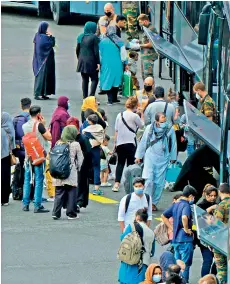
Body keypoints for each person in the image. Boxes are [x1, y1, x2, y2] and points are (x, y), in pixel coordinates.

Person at [135, 112, 177, 211]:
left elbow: (173, 143)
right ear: (157, 119)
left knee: (159, 183)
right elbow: (144, 142)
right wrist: (139, 156)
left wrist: (173, 157)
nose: (164, 119)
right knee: (148, 180)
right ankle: (145, 202)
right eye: (162, 117)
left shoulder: (170, 129)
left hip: (163, 158)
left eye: (165, 117)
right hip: (150, 156)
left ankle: (153, 202)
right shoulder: (150, 128)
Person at [161, 185, 197, 283]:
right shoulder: (186, 205)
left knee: (176, 265)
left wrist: (172, 227)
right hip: (185, 240)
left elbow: (163, 216)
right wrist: (186, 229)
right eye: (193, 197)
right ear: (190, 196)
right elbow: (184, 217)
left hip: (176, 239)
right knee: (185, 265)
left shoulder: (176, 204)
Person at [22, 106, 52, 213]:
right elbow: (49, 137)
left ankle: (25, 204)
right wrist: (43, 124)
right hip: (38, 156)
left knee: (27, 180)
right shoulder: (39, 125)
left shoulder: (24, 126)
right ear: (39, 114)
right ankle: (37, 205)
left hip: (28, 156)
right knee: (39, 180)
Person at [52, 126, 84, 220]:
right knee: (71, 192)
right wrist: (77, 167)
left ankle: (56, 213)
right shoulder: (76, 144)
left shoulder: (58, 142)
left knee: (59, 192)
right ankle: (71, 213)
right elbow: (81, 158)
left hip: (58, 171)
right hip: (70, 171)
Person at [113, 96, 144, 192]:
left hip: (120, 142)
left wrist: (115, 143)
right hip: (131, 142)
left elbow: (116, 130)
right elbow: (142, 125)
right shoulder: (135, 116)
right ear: (135, 105)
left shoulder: (120, 115)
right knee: (131, 165)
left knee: (120, 163)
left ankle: (116, 184)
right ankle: (131, 184)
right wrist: (141, 113)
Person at [118, 208, 155, 284]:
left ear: (137, 217)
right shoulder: (151, 233)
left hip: (129, 260)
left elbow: (123, 239)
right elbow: (152, 251)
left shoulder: (132, 227)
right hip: (142, 264)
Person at [66, 117, 92, 211]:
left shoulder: (66, 138)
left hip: (70, 166)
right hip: (82, 166)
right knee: (81, 185)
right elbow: (89, 153)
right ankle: (78, 202)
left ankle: (71, 203)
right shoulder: (83, 138)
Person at [99, 26, 128, 105]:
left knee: (108, 80)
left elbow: (100, 54)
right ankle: (115, 98)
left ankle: (110, 100)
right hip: (117, 64)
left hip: (106, 64)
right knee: (116, 80)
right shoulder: (120, 41)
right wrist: (125, 63)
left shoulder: (102, 41)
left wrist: (99, 63)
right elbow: (123, 55)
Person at [196, 184, 218, 277]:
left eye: (214, 196)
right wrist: (210, 209)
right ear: (206, 195)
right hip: (204, 238)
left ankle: (211, 277)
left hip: (215, 236)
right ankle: (204, 279)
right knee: (208, 260)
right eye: (210, 195)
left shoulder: (216, 204)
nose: (213, 198)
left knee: (217, 261)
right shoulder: (200, 205)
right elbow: (199, 218)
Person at [12, 98, 31, 198]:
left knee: (22, 169)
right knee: (29, 171)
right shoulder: (31, 118)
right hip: (29, 149)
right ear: (30, 106)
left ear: (21, 106)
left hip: (18, 149)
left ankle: (19, 189)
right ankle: (27, 192)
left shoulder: (15, 119)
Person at [76, 21, 100, 99]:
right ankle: (91, 97)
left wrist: (79, 58)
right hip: (92, 61)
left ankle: (85, 97)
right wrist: (98, 63)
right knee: (94, 79)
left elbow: (77, 49)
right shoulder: (94, 38)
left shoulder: (80, 36)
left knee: (85, 79)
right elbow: (96, 51)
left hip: (82, 60)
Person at [82, 114, 105, 196]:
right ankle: (96, 188)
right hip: (96, 150)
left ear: (90, 121)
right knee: (96, 168)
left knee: (85, 167)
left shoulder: (85, 130)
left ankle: (83, 186)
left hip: (87, 149)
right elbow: (102, 138)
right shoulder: (100, 128)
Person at [33, 21, 55, 100]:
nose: (48, 29)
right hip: (44, 60)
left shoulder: (37, 36)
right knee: (42, 77)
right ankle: (37, 93)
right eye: (47, 27)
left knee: (45, 77)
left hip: (40, 59)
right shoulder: (44, 38)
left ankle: (44, 93)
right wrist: (51, 37)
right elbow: (52, 44)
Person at [213, 183, 230, 284]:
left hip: (222, 243)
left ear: (220, 192)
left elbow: (216, 225)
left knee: (222, 269)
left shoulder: (221, 206)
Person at [138, 14, 158, 80]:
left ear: (145, 21)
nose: (139, 24)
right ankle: (146, 90)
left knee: (148, 76)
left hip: (149, 56)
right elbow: (145, 40)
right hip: (145, 55)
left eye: (140, 22)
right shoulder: (146, 28)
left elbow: (151, 44)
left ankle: (150, 90)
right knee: (144, 75)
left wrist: (139, 45)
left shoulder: (151, 29)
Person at [1, 112, 16, 206]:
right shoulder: (7, 131)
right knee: (5, 177)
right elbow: (12, 141)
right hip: (5, 156)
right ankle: (4, 199)